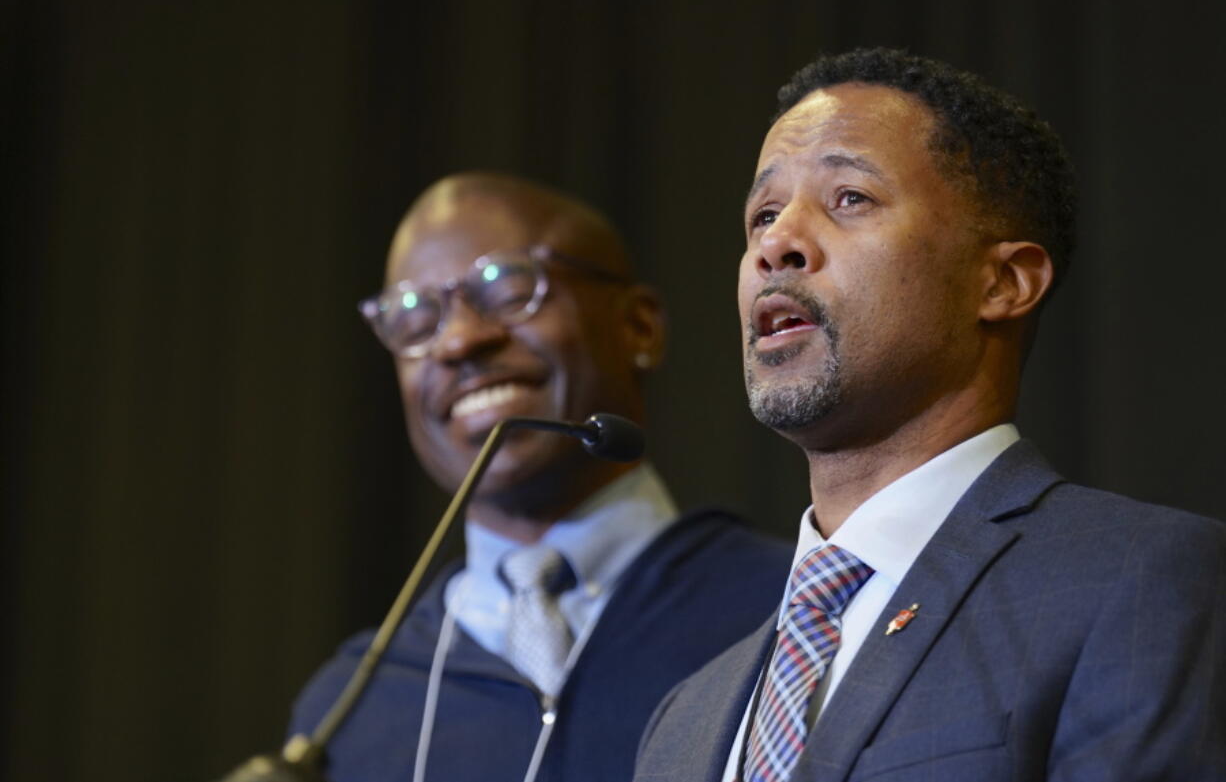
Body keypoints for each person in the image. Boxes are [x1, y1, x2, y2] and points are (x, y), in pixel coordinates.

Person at [633, 48, 1226, 782]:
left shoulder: (1140, 581)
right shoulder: (685, 717)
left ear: (1004, 281)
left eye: (849, 197)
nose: (775, 244)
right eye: (762, 214)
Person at [288, 173, 791, 782]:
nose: (459, 339)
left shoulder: (791, 613)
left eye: (507, 286)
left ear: (639, 327)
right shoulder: (349, 708)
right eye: (414, 317)